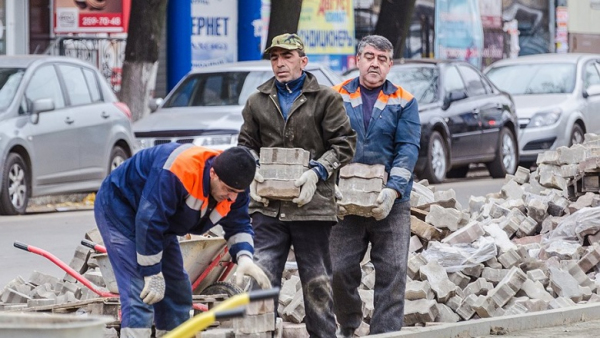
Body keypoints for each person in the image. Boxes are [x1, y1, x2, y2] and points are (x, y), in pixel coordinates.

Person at [237, 33, 356, 337]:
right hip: (268, 208)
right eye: (275, 58)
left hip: (311, 207)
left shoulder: (326, 98)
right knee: (260, 284)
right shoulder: (257, 101)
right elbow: (246, 145)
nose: (280, 63)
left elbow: (343, 145)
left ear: (303, 61)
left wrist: (317, 172)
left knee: (317, 286)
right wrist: (253, 169)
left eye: (287, 57)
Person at [94, 143, 271, 338]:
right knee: (140, 294)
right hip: (120, 207)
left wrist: (244, 257)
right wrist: (152, 272)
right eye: (228, 189)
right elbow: (149, 220)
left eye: (237, 192)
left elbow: (239, 225)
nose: (231, 197)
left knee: (177, 291)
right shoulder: (179, 171)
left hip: (160, 221)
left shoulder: (236, 187)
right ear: (213, 173)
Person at [330, 35, 421, 336]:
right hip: (346, 201)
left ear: (390, 65)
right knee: (340, 270)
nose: (374, 63)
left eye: (382, 59)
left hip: (390, 203)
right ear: (357, 60)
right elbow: (324, 142)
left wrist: (393, 189)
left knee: (393, 271)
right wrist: (330, 184)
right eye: (369, 56)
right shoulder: (335, 96)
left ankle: (384, 333)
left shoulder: (404, 101)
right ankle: (349, 324)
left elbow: (407, 148)